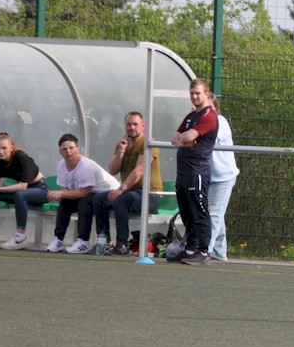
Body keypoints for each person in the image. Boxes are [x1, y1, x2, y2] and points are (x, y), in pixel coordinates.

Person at [93, 112, 162, 255]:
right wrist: (121, 151)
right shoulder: (121, 144)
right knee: (98, 199)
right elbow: (112, 170)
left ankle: (122, 244)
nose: (132, 127)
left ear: (143, 126)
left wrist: (121, 189)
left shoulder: (148, 142)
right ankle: (104, 241)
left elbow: (140, 170)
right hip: (130, 192)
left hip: (150, 194)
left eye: (135, 124)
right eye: (129, 124)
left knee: (120, 200)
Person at [168, 78, 218, 265]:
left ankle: (203, 251)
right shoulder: (191, 115)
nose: (194, 97)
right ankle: (189, 249)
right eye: (192, 93)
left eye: (198, 93)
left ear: (206, 94)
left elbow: (188, 136)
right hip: (183, 173)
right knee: (186, 213)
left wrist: (187, 138)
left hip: (197, 172)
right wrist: (185, 140)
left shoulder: (208, 116)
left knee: (199, 212)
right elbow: (175, 137)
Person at [45, 134, 120, 253]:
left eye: (71, 148)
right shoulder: (61, 165)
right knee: (65, 201)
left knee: (85, 201)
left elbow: (84, 192)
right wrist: (57, 194)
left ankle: (83, 241)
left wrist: (60, 193)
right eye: (64, 149)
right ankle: (58, 239)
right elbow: (65, 191)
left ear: (77, 149)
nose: (68, 151)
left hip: (108, 194)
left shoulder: (86, 165)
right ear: (60, 152)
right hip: (90, 195)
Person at [0, 132, 49, 250]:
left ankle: (21, 237)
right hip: (22, 193)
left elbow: (23, 186)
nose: (1, 151)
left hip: (40, 190)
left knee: (20, 194)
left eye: (4, 148)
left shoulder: (21, 157)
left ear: (12, 147)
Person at [206, 92, 240, 261]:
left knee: (214, 214)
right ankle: (219, 253)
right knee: (216, 213)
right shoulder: (198, 122)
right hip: (208, 177)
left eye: (210, 108)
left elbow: (208, 138)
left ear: (216, 109)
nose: (208, 113)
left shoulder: (221, 122)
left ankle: (205, 251)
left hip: (223, 177)